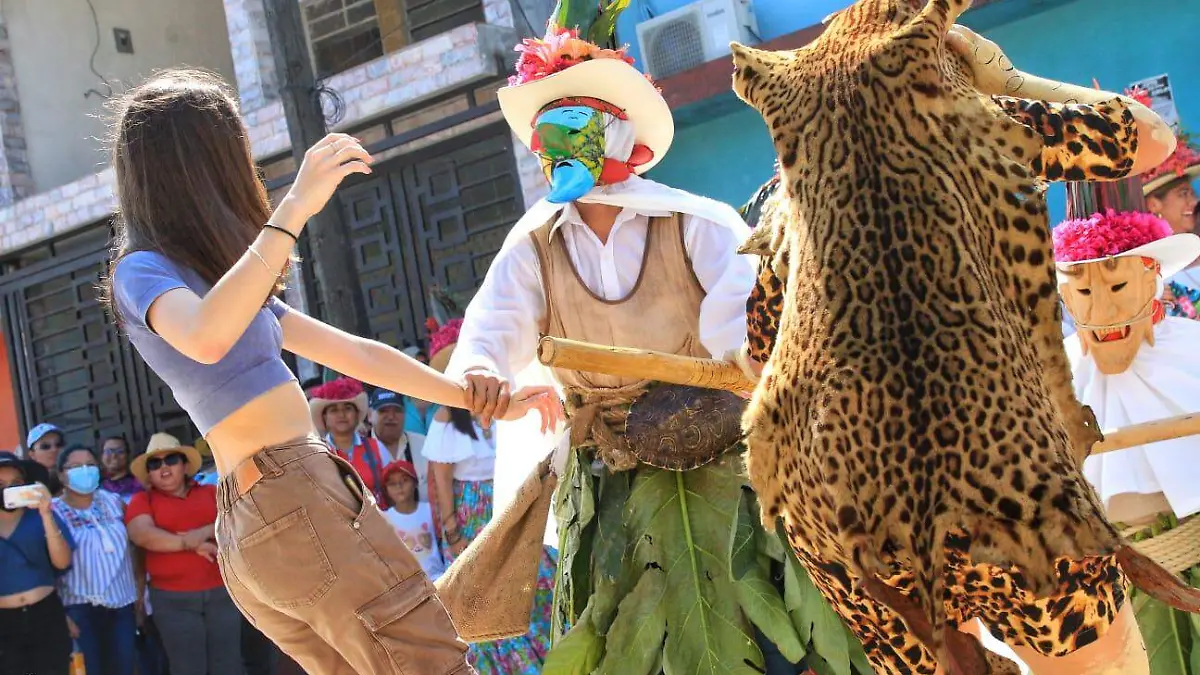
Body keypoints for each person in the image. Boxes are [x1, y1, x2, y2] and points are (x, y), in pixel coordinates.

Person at [100, 68, 559, 675]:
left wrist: (477, 397)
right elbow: (207, 337)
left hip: (272, 510)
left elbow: (361, 355)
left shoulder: (224, 279)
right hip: (286, 496)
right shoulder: (142, 270)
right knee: (431, 663)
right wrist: (295, 206)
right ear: (202, 165)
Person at [1053, 192, 1200, 672]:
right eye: (1084, 292)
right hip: (1115, 598)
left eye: (1116, 287)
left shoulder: (1192, 351)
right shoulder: (1052, 380)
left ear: (1152, 279)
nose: (1104, 311)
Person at [427, 319, 555, 673]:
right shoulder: (446, 417)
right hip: (475, 512)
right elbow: (441, 478)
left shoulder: (506, 405)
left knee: (534, 575)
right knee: (490, 588)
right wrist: (453, 534)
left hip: (512, 495)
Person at [124, 433, 242, 675]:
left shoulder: (211, 492)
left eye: (171, 460)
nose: (164, 467)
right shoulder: (141, 499)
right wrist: (192, 543)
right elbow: (143, 535)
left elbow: (237, 521)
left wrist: (205, 531)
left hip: (223, 592)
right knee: (188, 668)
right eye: (155, 464)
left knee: (228, 665)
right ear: (149, 473)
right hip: (173, 601)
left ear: (185, 465)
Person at [51, 445, 139, 675]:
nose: (85, 470)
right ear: (61, 474)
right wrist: (60, 616)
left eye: (90, 465)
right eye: (76, 466)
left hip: (122, 605)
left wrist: (139, 591)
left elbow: (135, 545)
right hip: (79, 611)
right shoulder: (52, 511)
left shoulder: (114, 502)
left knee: (123, 669)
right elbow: (47, 564)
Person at [0, 451, 75, 675]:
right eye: (0, 484)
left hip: (45, 614)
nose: (7, 489)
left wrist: (45, 514)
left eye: (15, 483)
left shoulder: (40, 517)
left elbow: (62, 562)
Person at [1143, 129, 1200, 315]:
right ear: (1154, 204)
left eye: (1192, 193)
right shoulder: (1145, 269)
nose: (1193, 201)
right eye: (1183, 194)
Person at [309, 377, 387, 501]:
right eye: (334, 410)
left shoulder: (377, 447)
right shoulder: (317, 454)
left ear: (357, 414)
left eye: (347, 408)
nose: (342, 415)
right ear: (324, 418)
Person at [378, 460, 444, 581]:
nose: (399, 487)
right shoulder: (384, 519)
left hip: (437, 578)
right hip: (409, 585)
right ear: (386, 490)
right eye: (392, 483)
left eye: (404, 480)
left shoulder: (430, 510)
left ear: (415, 483)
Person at [370, 389, 428, 497]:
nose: (391, 416)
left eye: (397, 410)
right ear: (369, 415)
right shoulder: (358, 449)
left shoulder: (424, 445)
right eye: (383, 410)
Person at [27, 422, 66, 496]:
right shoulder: (28, 485)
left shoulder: (76, 476)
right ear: (32, 454)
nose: (54, 449)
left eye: (59, 444)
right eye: (45, 446)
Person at [100, 436, 143, 503]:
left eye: (120, 451)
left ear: (128, 455)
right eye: (108, 451)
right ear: (102, 456)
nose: (114, 455)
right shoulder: (95, 487)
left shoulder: (139, 484)